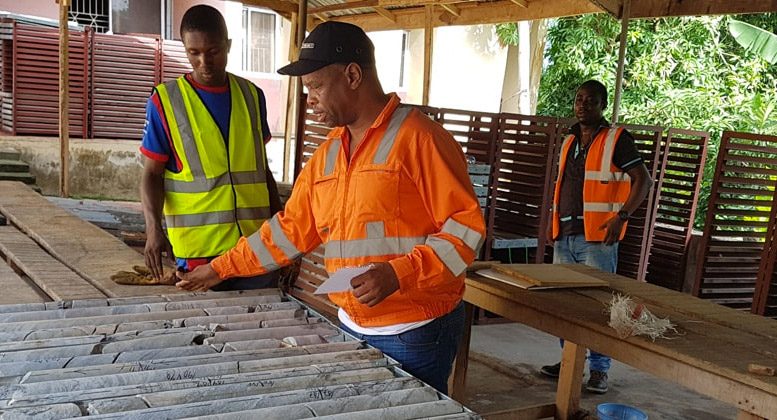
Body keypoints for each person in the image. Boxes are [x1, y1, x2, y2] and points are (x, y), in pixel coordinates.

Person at [176, 21, 486, 395]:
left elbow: (466, 232)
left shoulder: (421, 139)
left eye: (316, 87)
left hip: (414, 331)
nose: (310, 101)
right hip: (349, 322)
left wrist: (398, 274)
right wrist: (219, 269)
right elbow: (289, 229)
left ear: (352, 75)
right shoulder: (330, 152)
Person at [140, 4, 281, 290]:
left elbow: (261, 169)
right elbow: (151, 174)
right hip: (198, 257)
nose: (204, 61)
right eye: (194, 53)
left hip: (253, 250)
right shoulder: (166, 102)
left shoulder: (252, 97)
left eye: (213, 51)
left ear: (228, 45)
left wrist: (279, 229)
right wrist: (153, 229)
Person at [540, 80, 652, 394]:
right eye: (579, 99)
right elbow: (566, 186)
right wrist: (555, 229)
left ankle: (600, 371)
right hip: (566, 235)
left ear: (602, 105)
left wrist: (622, 216)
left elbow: (643, 181)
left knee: (600, 308)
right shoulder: (569, 141)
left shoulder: (617, 139)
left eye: (590, 100)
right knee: (566, 306)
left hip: (598, 239)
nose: (582, 105)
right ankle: (569, 361)